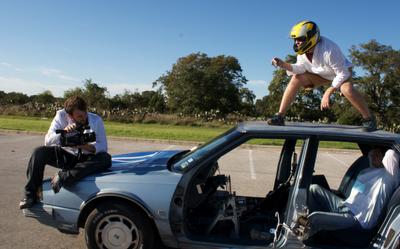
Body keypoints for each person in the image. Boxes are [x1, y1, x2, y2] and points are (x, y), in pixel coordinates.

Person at [268, 20, 377, 132]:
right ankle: (280, 116)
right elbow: (301, 68)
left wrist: (329, 91)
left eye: (300, 39)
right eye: (295, 39)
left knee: (346, 89)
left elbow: (343, 73)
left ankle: (369, 119)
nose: (297, 42)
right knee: (296, 77)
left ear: (311, 37)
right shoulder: (302, 51)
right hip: (321, 74)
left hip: (340, 73)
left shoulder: (329, 49)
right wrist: (283, 64)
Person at [19, 96, 112, 209]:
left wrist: (84, 146)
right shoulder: (61, 116)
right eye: (79, 116)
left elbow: (103, 146)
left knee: (105, 158)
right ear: (70, 115)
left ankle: (64, 177)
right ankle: (30, 195)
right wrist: (64, 132)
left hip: (85, 158)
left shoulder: (96, 120)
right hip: (65, 155)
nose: (83, 118)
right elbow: (48, 141)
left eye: (84, 114)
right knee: (39, 152)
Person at [305, 148, 400, 238]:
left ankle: (303, 242)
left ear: (384, 158)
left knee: (314, 219)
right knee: (313, 188)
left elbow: (391, 154)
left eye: (377, 154)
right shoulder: (365, 172)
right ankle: (317, 233)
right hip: (346, 206)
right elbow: (355, 195)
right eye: (372, 154)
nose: (373, 156)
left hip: (359, 220)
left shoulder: (389, 177)